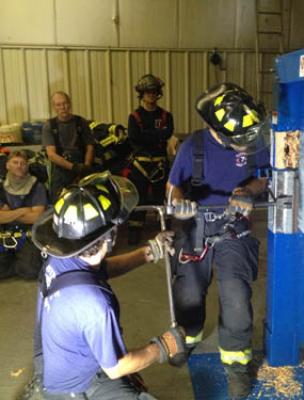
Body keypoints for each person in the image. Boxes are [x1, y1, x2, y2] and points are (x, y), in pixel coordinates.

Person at [24, 172, 186, 400]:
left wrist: (149, 252)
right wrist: (162, 347)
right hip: (75, 386)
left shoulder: (62, 255)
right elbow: (117, 367)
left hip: (53, 360)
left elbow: (100, 269)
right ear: (109, 237)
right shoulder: (95, 303)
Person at [166, 83, 270, 399]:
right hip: (194, 226)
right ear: (216, 128)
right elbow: (172, 188)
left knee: (237, 294)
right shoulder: (193, 147)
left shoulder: (251, 137)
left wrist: (249, 191)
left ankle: (237, 364)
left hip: (233, 227)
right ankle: (189, 337)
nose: (246, 145)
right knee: (189, 293)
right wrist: (179, 202)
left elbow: (264, 174)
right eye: (238, 142)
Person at [126, 74, 174, 244]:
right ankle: (134, 229)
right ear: (142, 94)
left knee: (162, 196)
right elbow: (134, 138)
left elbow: (167, 134)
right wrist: (156, 137)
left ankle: (164, 228)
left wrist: (146, 135)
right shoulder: (134, 116)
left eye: (154, 92)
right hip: (140, 165)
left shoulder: (166, 116)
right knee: (139, 197)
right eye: (147, 92)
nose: (151, 95)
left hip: (160, 164)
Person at [0, 150, 47, 279]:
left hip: (29, 236)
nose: (19, 166)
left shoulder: (37, 187)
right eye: (15, 162)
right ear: (7, 165)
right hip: (4, 234)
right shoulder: (1, 187)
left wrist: (8, 214)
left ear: (27, 167)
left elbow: (36, 217)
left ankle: (17, 261)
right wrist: (23, 211)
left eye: (23, 163)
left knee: (30, 271)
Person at [42, 91, 95, 203]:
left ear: (69, 104)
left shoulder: (81, 122)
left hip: (82, 166)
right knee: (59, 202)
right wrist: (73, 167)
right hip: (61, 169)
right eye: (58, 104)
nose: (63, 107)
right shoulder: (49, 126)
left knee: (87, 200)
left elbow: (89, 146)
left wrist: (86, 165)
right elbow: (51, 154)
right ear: (54, 107)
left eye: (65, 103)